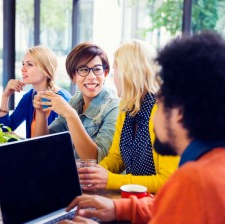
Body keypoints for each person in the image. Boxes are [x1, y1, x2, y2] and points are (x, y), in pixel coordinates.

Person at [60, 31, 225, 223]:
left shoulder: (194, 180)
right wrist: (117, 207)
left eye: (162, 100)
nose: (156, 106)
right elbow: (163, 204)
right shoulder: (209, 166)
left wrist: (110, 182)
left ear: (179, 112)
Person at [78, 40, 179, 194]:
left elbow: (167, 181)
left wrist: (110, 180)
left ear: (129, 74)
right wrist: (95, 173)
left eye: (115, 71)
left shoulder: (163, 112)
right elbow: (117, 157)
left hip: (158, 206)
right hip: (135, 201)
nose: (113, 78)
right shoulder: (126, 107)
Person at [33, 42, 119, 162]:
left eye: (97, 69)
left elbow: (98, 160)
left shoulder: (114, 107)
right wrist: (41, 112)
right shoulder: (76, 100)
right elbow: (43, 145)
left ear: (105, 73)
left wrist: (71, 115)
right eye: (84, 70)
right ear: (73, 76)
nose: (91, 76)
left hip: (95, 180)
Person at [0, 46, 71, 138]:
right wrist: (5, 97)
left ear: (46, 71)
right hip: (33, 151)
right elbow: (3, 131)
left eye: (29, 64)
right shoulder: (29, 97)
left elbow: (58, 146)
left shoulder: (63, 100)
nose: (23, 69)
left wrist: (21, 141)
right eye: (23, 64)